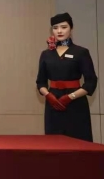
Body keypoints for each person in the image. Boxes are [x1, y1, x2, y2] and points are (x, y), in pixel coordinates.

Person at [36, 13, 97, 142]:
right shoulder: (46, 54)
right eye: (55, 28)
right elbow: (40, 82)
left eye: (64, 27)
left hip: (76, 102)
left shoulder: (81, 52)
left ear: (71, 28)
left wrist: (70, 97)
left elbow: (91, 82)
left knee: (78, 141)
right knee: (54, 143)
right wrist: (48, 95)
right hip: (53, 103)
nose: (59, 31)